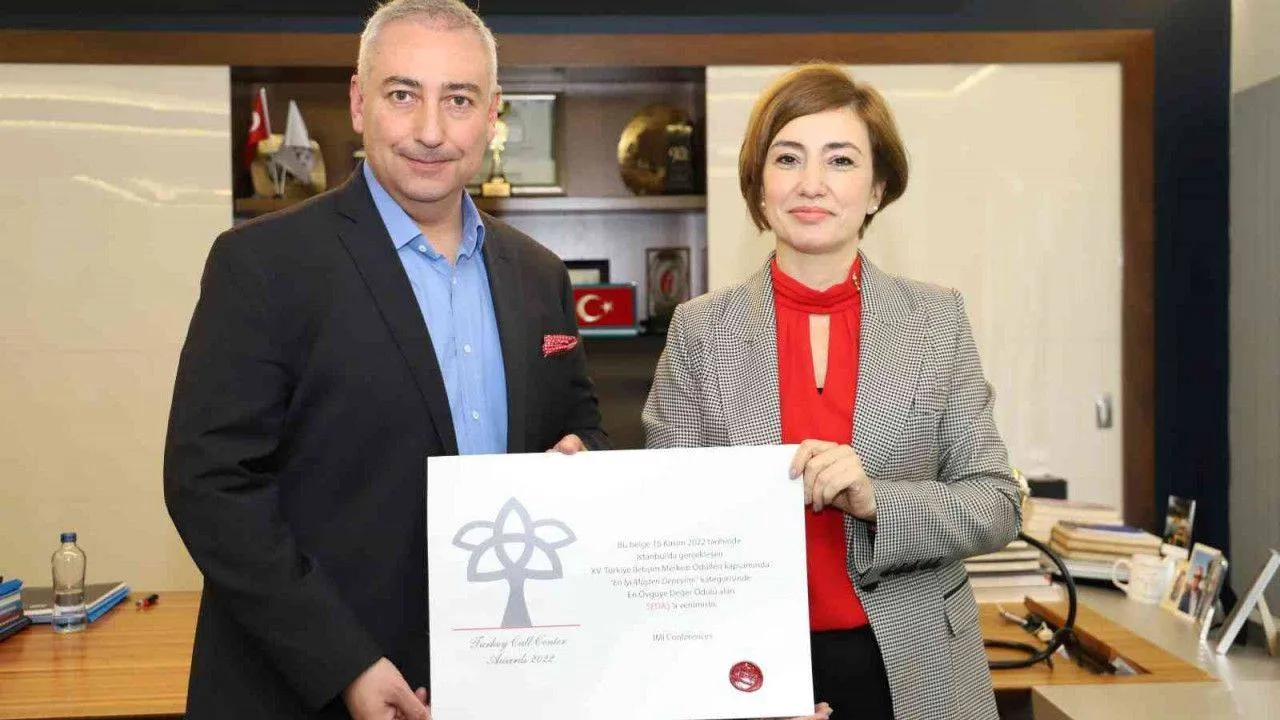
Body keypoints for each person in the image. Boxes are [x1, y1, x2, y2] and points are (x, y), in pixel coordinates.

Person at [163, 1, 606, 718]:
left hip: (500, 677)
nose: (430, 130)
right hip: (308, 685)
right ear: (358, 103)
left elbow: (581, 425)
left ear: (492, 114)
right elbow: (210, 484)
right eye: (403, 94)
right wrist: (345, 663)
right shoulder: (262, 264)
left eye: (458, 100)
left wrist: (579, 460)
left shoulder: (539, 274)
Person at [643, 64, 1021, 720]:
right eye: (788, 158)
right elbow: (668, 525)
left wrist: (878, 501)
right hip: (751, 669)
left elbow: (996, 503)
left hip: (916, 665)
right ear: (760, 186)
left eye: (840, 160)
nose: (811, 183)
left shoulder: (937, 320)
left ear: (877, 189)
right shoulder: (701, 330)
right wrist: (736, 685)